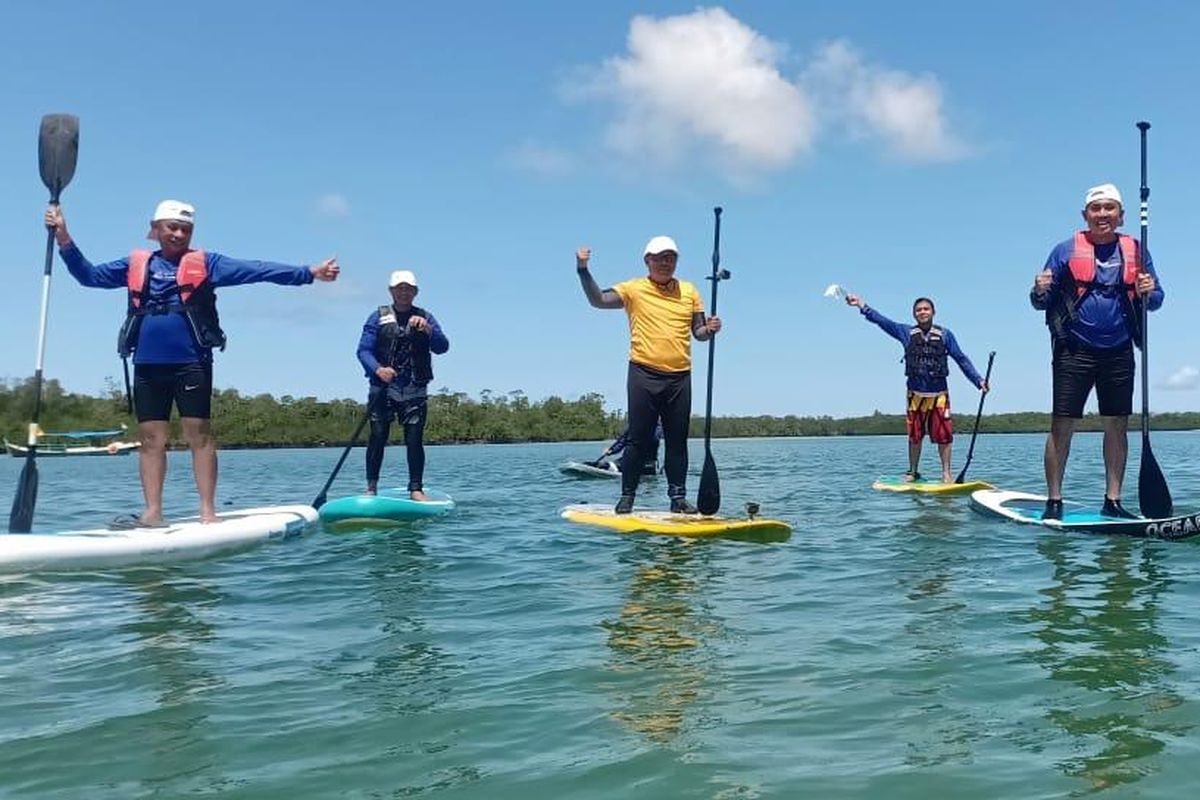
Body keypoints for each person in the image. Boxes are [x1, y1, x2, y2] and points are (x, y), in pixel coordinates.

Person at [46, 200, 339, 526]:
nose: (178, 234)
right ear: (155, 229)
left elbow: (257, 270)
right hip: (147, 363)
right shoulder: (135, 265)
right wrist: (63, 237)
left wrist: (308, 273)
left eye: (185, 229)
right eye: (172, 227)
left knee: (197, 435)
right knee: (150, 439)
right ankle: (154, 512)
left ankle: (207, 512)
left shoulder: (208, 263)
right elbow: (89, 276)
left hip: (192, 362)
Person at [1030, 183, 1163, 520]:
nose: (1103, 214)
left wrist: (1150, 290)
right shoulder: (1063, 251)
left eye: (1110, 208)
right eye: (1096, 208)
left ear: (1121, 216)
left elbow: (1157, 299)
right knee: (1062, 425)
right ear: (1085, 215)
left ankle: (1113, 500)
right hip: (1073, 349)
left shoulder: (1136, 249)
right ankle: (1054, 501)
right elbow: (1038, 302)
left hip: (1119, 351)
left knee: (1117, 424)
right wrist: (1038, 288)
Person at [576, 236, 721, 514]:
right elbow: (598, 300)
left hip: (680, 376)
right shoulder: (634, 289)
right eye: (659, 257)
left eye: (670, 257)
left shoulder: (690, 291)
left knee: (677, 441)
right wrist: (583, 270)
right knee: (638, 439)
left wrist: (711, 328)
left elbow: (699, 333)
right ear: (647, 261)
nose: (665, 262)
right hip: (643, 373)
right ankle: (627, 496)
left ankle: (678, 498)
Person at [844, 293, 988, 483]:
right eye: (918, 310)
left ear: (933, 312)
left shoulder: (945, 335)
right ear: (914, 314)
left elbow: (961, 359)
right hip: (915, 395)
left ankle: (946, 473)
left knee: (944, 436)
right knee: (915, 436)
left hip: (939, 395)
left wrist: (978, 380)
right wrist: (861, 305)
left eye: (926, 309)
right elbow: (882, 321)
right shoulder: (905, 332)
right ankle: (913, 471)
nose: (922, 312)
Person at [356, 270, 449, 500]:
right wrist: (378, 370)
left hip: (414, 389)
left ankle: (416, 489)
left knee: (414, 439)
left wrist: (429, 330)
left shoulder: (426, 317)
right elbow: (363, 351)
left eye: (408, 288)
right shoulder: (377, 317)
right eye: (399, 288)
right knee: (377, 436)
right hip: (383, 389)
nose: (404, 292)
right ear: (391, 291)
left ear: (415, 292)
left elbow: (442, 346)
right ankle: (371, 487)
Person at [596, 421, 662, 475]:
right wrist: (612, 450)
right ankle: (609, 466)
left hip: (647, 464)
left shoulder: (657, 428)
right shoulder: (633, 426)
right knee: (607, 465)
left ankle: (612, 467)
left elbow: (654, 439)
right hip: (631, 461)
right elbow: (622, 442)